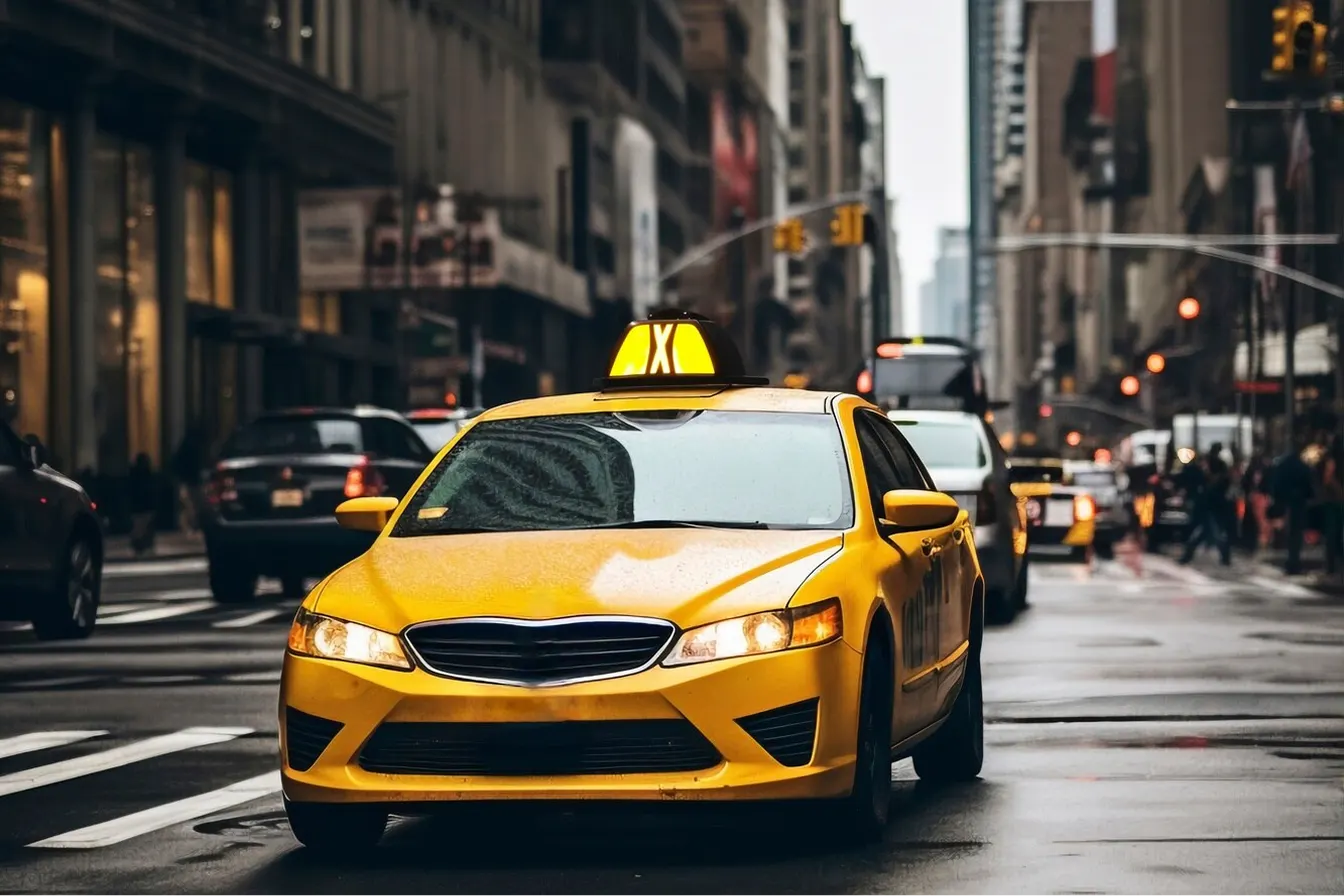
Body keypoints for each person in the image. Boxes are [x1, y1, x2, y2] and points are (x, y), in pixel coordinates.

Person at [1272, 437, 1314, 575]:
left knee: (1290, 532)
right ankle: (1294, 561)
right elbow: (1308, 485)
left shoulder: (1283, 465)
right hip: (1299, 502)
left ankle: (1291, 561)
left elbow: (1277, 484)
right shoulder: (1302, 466)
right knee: (1296, 533)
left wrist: (1278, 498)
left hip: (1287, 502)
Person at [170, 424, 206, 539]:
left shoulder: (187, 448)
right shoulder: (193, 449)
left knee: (188, 506)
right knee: (190, 506)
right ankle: (189, 527)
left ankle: (188, 527)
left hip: (187, 481)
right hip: (190, 481)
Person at [127, 453, 157, 558]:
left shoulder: (134, 475)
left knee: (138, 528)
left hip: (138, 506)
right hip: (145, 506)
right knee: (144, 527)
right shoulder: (147, 475)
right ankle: (143, 546)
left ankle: (139, 547)